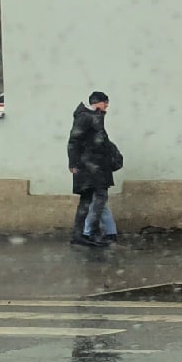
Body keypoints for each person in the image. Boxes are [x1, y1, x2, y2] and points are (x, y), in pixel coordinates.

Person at [67, 91, 122, 247]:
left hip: (94, 166)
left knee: (91, 200)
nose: (106, 107)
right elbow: (74, 140)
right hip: (91, 168)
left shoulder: (92, 116)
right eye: (105, 103)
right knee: (98, 199)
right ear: (96, 102)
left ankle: (84, 235)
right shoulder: (86, 117)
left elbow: (100, 140)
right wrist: (73, 163)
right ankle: (88, 233)